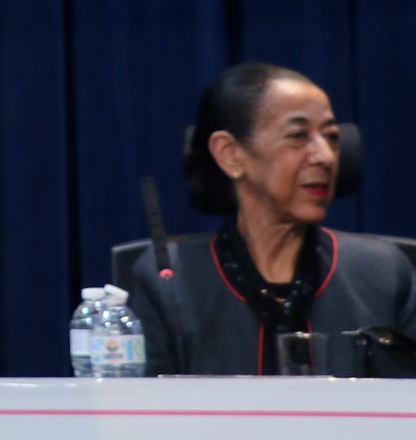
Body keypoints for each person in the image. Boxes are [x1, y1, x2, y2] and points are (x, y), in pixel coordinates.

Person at [125, 63, 416, 375]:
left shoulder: (382, 273)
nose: (326, 156)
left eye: (331, 136)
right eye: (298, 136)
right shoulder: (171, 281)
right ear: (230, 154)